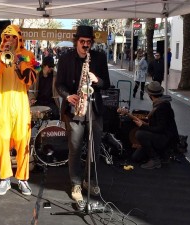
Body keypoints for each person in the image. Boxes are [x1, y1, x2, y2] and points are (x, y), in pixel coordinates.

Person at [55, 25, 110, 208]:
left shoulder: (100, 57)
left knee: (94, 148)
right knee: (75, 149)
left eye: (88, 42)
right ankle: (76, 184)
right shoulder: (65, 58)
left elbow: (106, 83)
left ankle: (90, 181)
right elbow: (59, 84)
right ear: (76, 41)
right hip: (74, 110)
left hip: (94, 109)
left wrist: (97, 80)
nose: (85, 45)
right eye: (82, 42)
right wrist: (67, 96)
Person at [0, 25, 40, 196]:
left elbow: (30, 80)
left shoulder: (28, 56)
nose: (9, 41)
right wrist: (2, 59)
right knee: (1, 140)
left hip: (20, 104)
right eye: (6, 38)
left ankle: (23, 179)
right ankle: (4, 179)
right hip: (3, 103)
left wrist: (18, 62)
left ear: (18, 39)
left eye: (12, 38)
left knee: (22, 141)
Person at [131, 81, 179, 169]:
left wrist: (143, 126)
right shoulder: (160, 103)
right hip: (161, 135)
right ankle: (160, 155)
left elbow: (160, 129)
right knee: (136, 158)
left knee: (140, 134)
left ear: (150, 95)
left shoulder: (162, 107)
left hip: (166, 138)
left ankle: (155, 159)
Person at [29, 56, 60, 120]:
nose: (51, 68)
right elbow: (30, 90)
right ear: (44, 66)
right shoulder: (36, 75)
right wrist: (32, 98)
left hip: (51, 102)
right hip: (38, 102)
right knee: (31, 115)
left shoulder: (55, 76)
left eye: (52, 67)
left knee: (56, 114)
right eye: (49, 67)